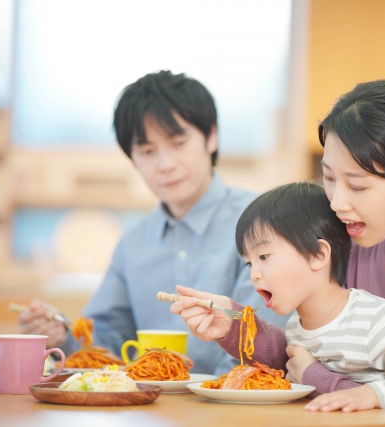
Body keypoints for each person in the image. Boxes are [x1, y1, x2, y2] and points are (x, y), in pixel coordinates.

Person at [170, 80, 385, 426]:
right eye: (329, 178)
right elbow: (305, 355)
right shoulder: (354, 240)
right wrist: (234, 325)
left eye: (357, 185)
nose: (337, 203)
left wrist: (321, 381)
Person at [17, 70, 288, 375]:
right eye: (147, 151)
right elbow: (106, 343)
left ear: (211, 136)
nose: (165, 164)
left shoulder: (265, 224)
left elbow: (262, 345)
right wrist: (62, 337)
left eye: (178, 142)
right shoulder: (132, 244)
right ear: (132, 159)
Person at [235, 181, 385, 411]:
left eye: (264, 257)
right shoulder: (296, 328)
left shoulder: (373, 319)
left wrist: (369, 395)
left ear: (317, 254)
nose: (254, 275)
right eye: (249, 263)